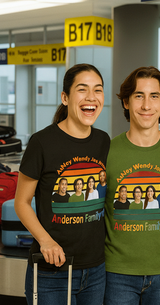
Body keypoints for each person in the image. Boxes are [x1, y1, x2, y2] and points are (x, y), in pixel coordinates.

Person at [14, 63, 110, 304]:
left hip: (96, 269)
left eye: (98, 90)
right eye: (82, 89)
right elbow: (22, 202)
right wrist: (45, 241)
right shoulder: (42, 142)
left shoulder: (103, 141)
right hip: (51, 272)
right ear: (65, 98)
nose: (91, 97)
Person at [104, 66, 160, 305]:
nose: (146, 105)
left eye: (154, 96)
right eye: (138, 96)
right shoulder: (107, 151)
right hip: (117, 273)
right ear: (125, 102)